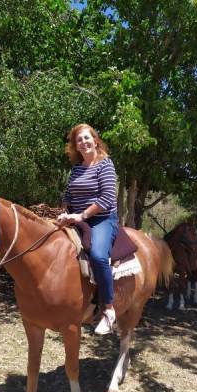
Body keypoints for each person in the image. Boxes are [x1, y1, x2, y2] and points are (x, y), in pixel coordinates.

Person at [58, 123, 119, 335]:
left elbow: (107, 198)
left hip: (102, 220)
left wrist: (82, 215)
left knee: (98, 256)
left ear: (95, 140)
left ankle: (108, 309)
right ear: (75, 146)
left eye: (86, 138)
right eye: (79, 140)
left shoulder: (106, 165)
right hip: (76, 218)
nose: (83, 142)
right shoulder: (76, 168)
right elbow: (68, 195)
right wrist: (65, 211)